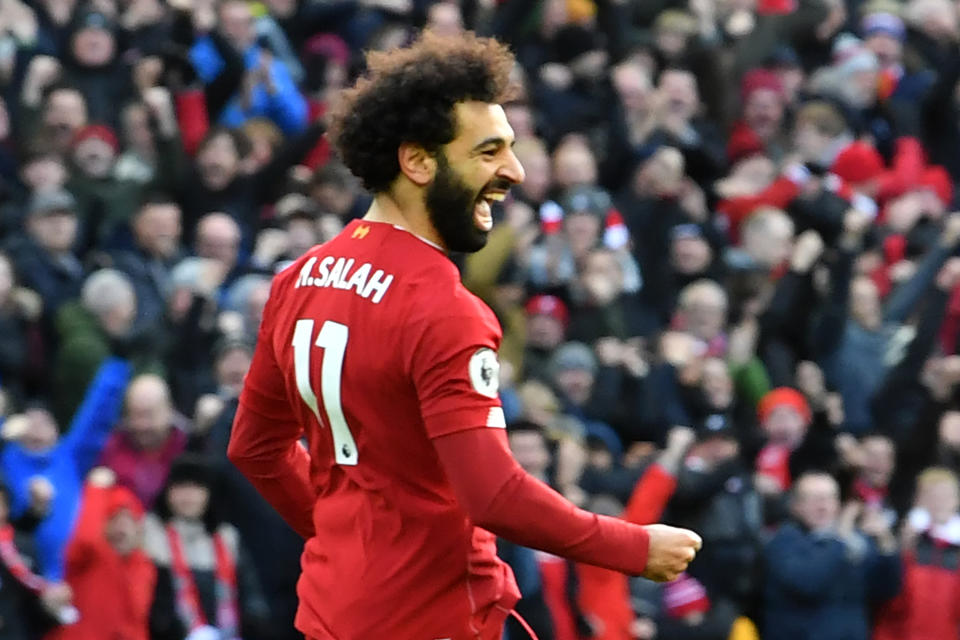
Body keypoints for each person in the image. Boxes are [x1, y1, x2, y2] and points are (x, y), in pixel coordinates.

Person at [228, 31, 701, 640]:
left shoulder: (300, 278)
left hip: (334, 612)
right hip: (435, 620)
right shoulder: (442, 308)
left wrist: (339, 536)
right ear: (418, 161)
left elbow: (254, 448)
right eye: (489, 152)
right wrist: (633, 547)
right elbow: (494, 494)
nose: (516, 171)